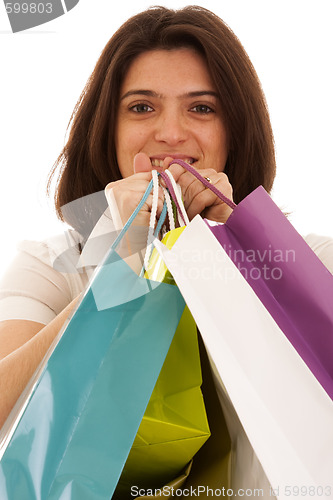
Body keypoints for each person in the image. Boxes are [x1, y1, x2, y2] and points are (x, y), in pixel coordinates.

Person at [0, 3, 332, 438]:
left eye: (202, 108)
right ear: (108, 129)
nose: (172, 134)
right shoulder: (54, 263)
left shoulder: (308, 258)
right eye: (141, 108)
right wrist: (117, 262)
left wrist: (247, 248)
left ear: (235, 129)